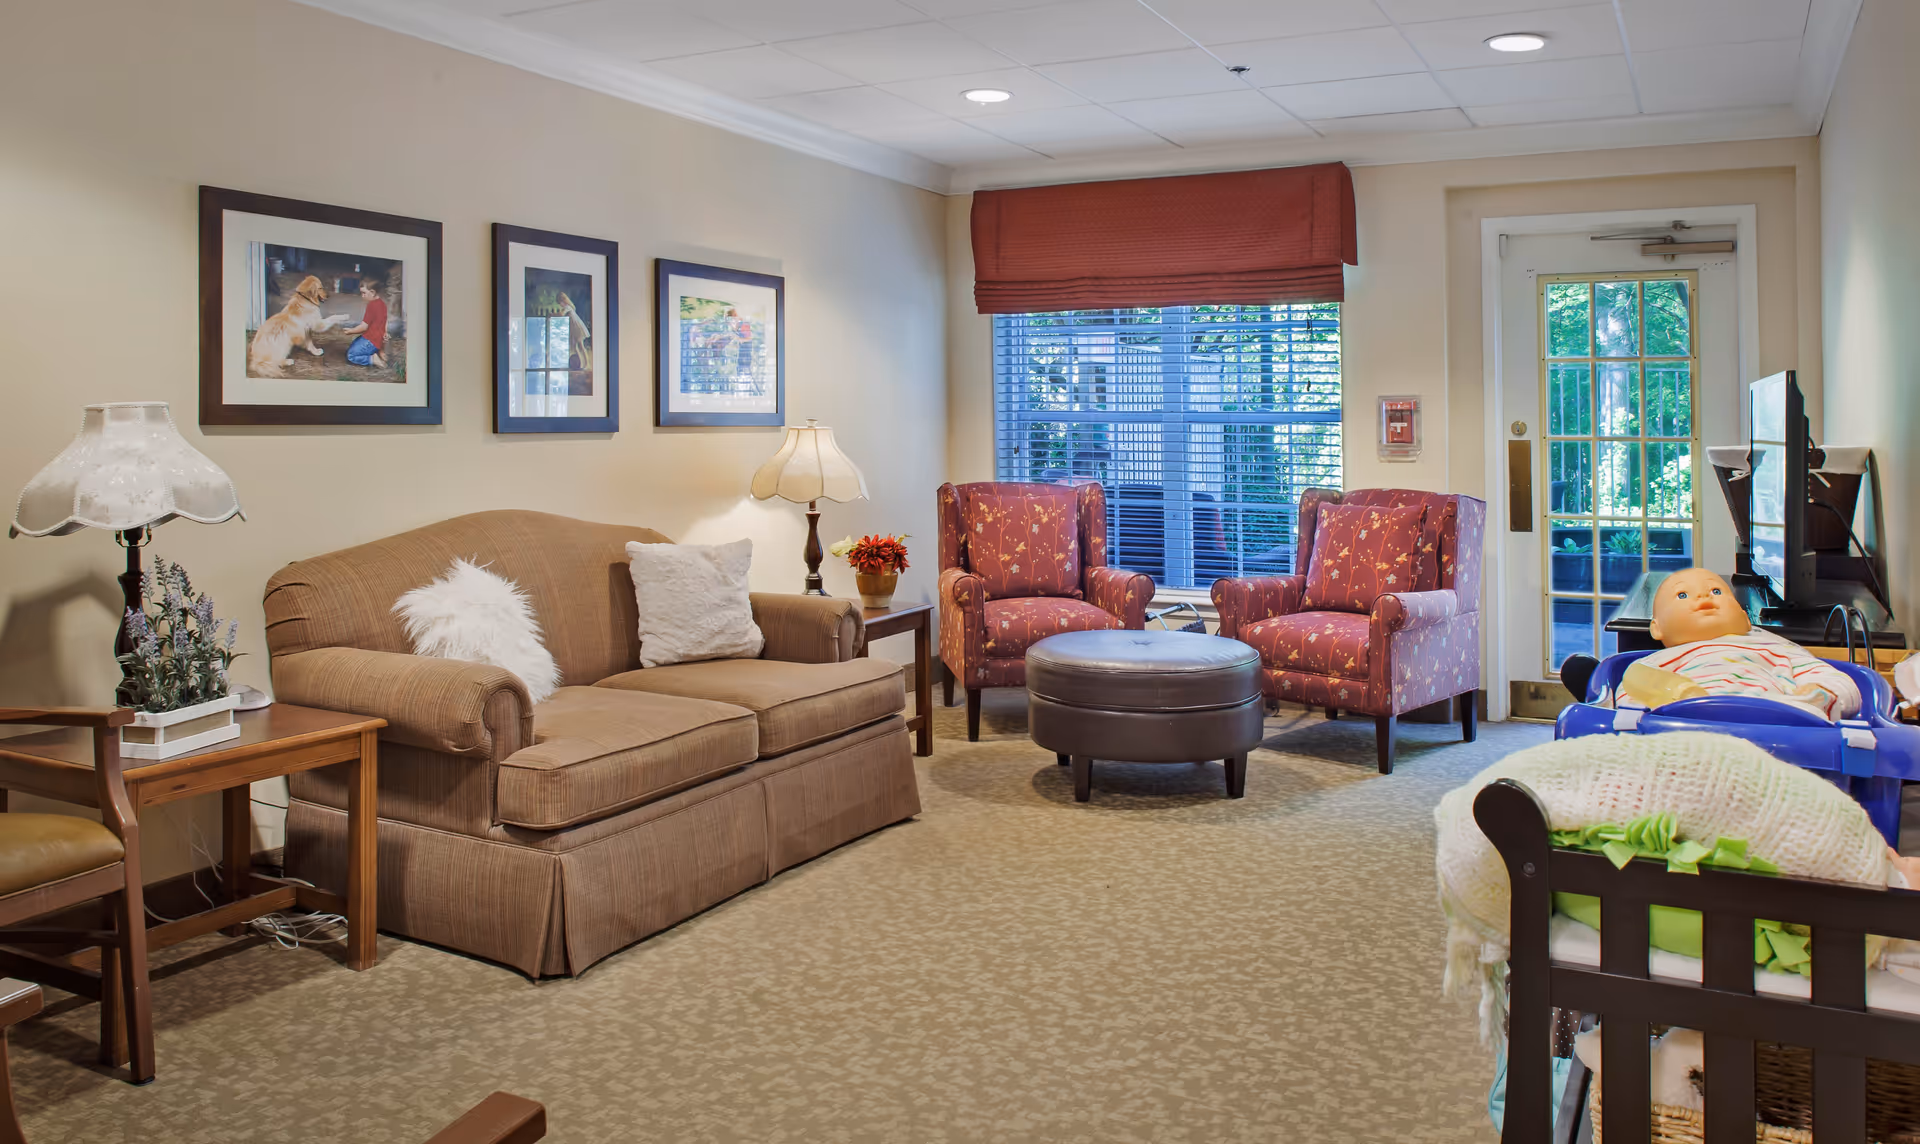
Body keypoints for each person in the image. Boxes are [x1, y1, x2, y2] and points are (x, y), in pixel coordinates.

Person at [342, 279, 388, 369]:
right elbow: (384, 323)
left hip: (371, 340)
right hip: (377, 340)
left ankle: (372, 359)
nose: (362, 296)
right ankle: (377, 352)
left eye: (364, 293)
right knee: (354, 346)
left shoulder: (372, 306)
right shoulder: (382, 304)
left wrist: (351, 331)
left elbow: (364, 327)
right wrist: (382, 347)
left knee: (351, 356)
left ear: (372, 292)